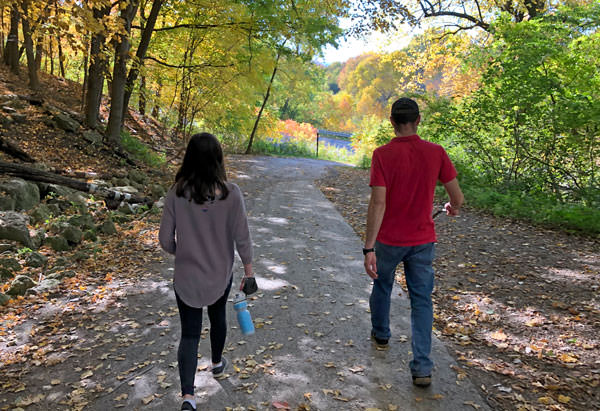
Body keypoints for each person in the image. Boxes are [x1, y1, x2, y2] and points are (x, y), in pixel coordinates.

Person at [362, 97, 464, 388]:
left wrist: (369, 247)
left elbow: (378, 203)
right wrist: (452, 207)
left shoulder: (382, 154)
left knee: (382, 285)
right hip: (422, 240)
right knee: (421, 300)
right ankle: (422, 367)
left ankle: (381, 333)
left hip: (389, 240)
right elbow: (457, 198)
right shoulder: (436, 152)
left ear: (392, 122)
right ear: (418, 120)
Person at [159, 132, 253, 411]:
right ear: (218, 160)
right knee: (217, 316)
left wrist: (184, 253)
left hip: (186, 277)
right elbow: (243, 238)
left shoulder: (176, 193)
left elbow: (165, 240)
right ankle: (216, 362)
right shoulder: (231, 194)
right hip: (220, 275)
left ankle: (188, 396)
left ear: (189, 158)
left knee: (189, 334)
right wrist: (249, 272)